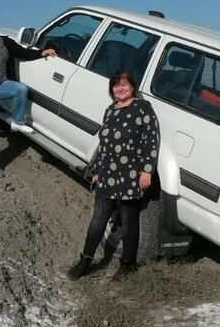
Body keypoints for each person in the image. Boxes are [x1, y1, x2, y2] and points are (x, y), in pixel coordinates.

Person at [67, 69, 160, 282]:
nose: (119, 88)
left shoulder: (143, 108)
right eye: (115, 85)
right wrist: (98, 171)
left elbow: (151, 140)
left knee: (129, 221)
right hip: (108, 173)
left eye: (123, 84)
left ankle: (127, 266)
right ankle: (85, 261)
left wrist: (147, 170)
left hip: (131, 174)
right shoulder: (110, 110)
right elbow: (105, 144)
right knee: (98, 219)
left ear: (132, 87)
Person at [0, 10, 56, 178]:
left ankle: (17, 122)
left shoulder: (5, 42)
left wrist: (42, 52)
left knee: (20, 89)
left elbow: (23, 52)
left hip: (2, 84)